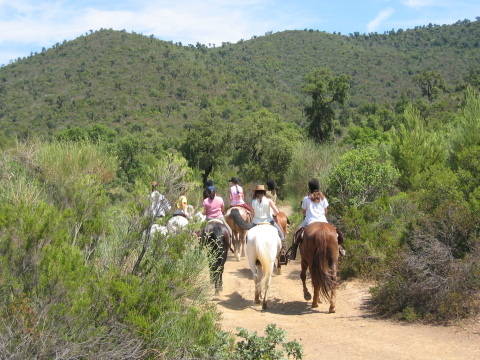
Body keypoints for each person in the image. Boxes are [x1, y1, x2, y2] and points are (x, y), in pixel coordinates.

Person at [289, 179, 345, 260]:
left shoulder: (306, 199)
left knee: (296, 233)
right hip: (323, 221)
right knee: (335, 234)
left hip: (310, 221)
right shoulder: (323, 198)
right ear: (318, 187)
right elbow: (325, 211)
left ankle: (293, 252)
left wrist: (309, 213)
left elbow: (304, 212)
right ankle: (339, 247)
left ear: (309, 188)